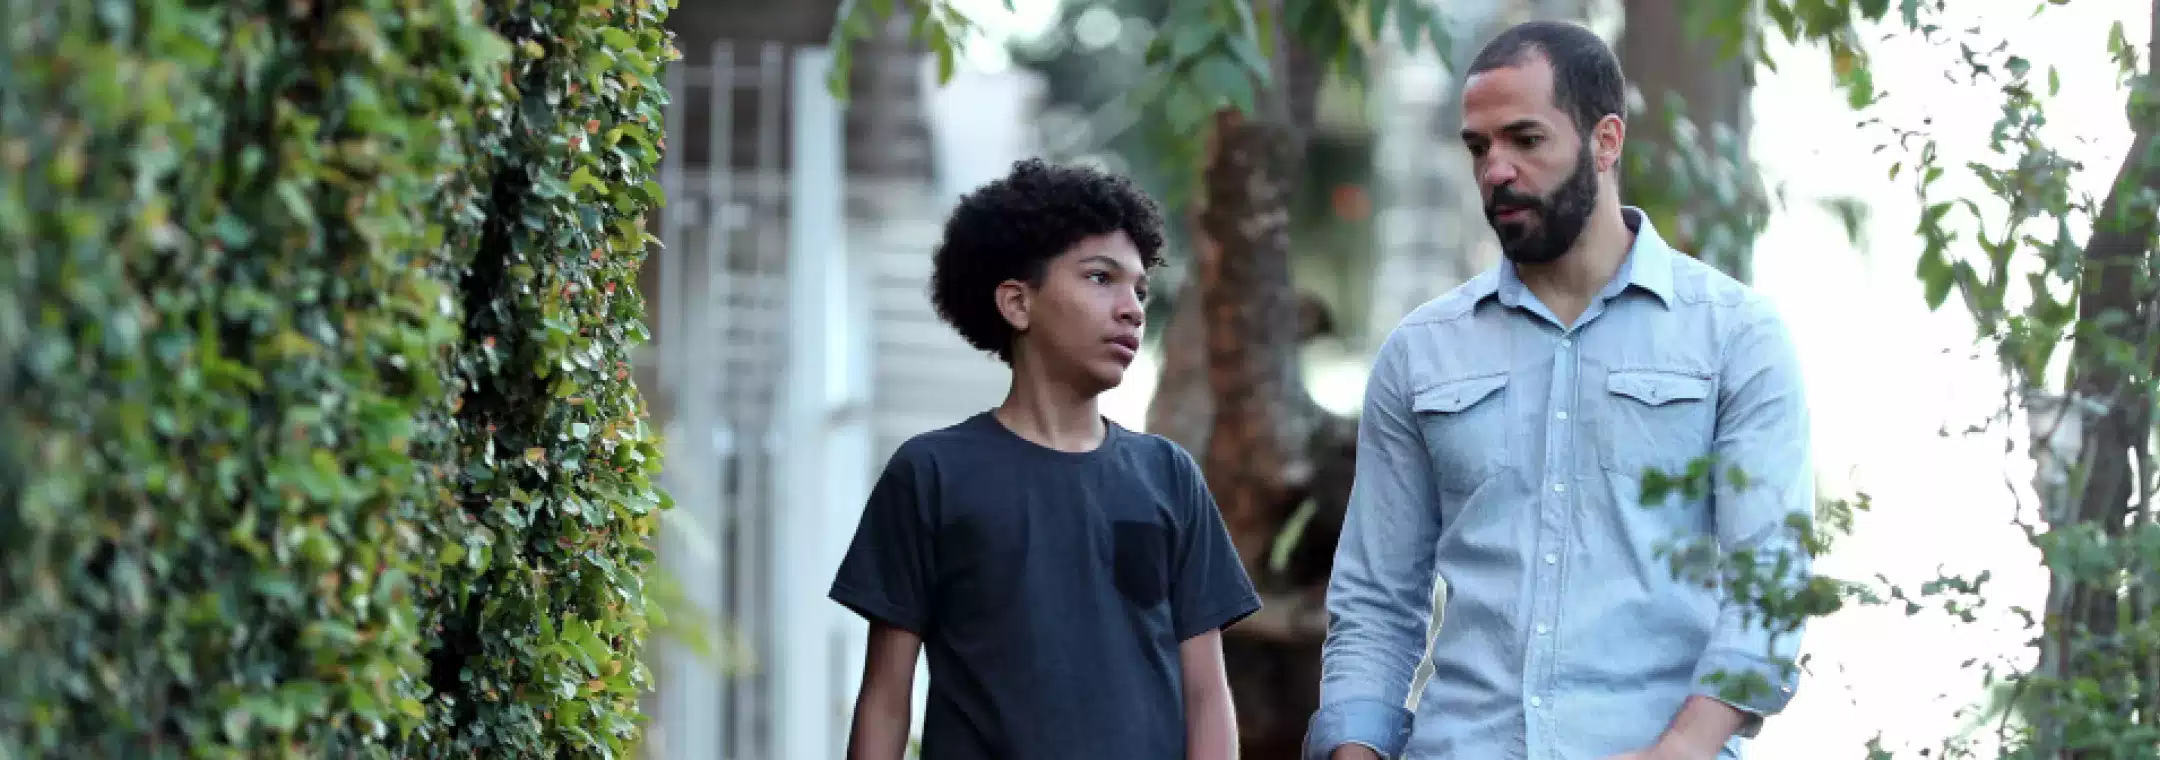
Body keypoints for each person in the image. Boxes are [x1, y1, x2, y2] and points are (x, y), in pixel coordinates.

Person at [1305, 20, 1815, 760]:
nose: (1496, 170)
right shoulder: (1422, 353)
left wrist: (1673, 754)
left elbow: (1770, 585)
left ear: (1606, 141)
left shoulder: (1735, 337)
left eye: (1526, 140)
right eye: (1479, 147)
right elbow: (1377, 602)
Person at [831, 158, 1261, 760]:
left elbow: (1207, 694)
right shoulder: (931, 474)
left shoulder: (1169, 477)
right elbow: (885, 697)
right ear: (1017, 303)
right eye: (1099, 277)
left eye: (1140, 289)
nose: (1132, 308)